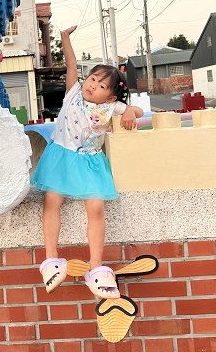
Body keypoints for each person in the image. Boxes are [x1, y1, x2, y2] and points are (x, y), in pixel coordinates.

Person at [32, 25, 142, 299]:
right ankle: (51, 260)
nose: (93, 85)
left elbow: (138, 109)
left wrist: (129, 110)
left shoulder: (110, 108)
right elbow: (71, 63)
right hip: (61, 157)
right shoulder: (73, 92)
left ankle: (96, 268)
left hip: (89, 162)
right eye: (92, 79)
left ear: (112, 96)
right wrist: (65, 39)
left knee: (95, 207)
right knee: (51, 201)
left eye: (102, 85)